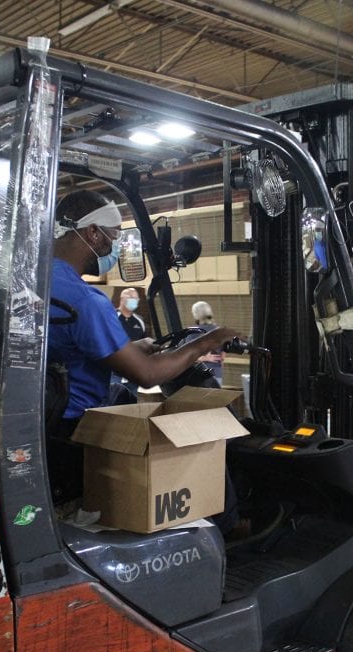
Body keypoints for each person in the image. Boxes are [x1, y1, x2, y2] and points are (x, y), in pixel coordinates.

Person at [46, 189, 242, 516]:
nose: (112, 248)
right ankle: (223, 523)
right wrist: (206, 342)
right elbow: (147, 374)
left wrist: (133, 348)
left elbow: (66, 350)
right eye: (112, 237)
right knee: (192, 442)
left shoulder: (36, 283)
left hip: (47, 423)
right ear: (91, 232)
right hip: (77, 429)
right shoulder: (85, 301)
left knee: (123, 394)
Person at [111, 287, 147, 390]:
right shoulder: (111, 317)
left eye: (136, 298)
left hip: (133, 373)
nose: (134, 301)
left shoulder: (139, 321)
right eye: (131, 297)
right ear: (122, 299)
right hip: (114, 373)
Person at [187, 300, 225, 385]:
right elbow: (223, 356)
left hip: (199, 375)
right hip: (217, 374)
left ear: (196, 314)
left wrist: (206, 358)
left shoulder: (192, 332)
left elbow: (189, 357)